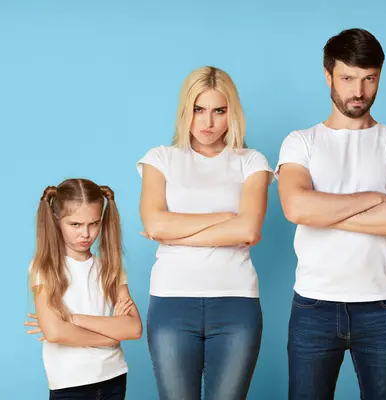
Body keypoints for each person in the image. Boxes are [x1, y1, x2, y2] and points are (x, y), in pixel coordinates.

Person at [275, 28, 386, 400]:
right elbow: (296, 206)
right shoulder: (301, 142)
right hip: (313, 304)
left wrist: (323, 212)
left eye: (369, 79)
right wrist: (375, 198)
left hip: (383, 306)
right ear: (328, 75)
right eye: (347, 78)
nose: (358, 92)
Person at [137, 66, 273, 400]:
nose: (208, 122)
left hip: (236, 303)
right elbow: (155, 223)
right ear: (186, 110)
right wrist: (225, 219)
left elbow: (248, 229)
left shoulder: (251, 161)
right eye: (199, 109)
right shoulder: (161, 159)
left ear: (232, 114)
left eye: (219, 111)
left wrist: (174, 232)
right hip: (171, 301)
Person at [24, 178, 142, 399]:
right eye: (75, 225)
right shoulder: (45, 268)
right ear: (56, 221)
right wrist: (110, 337)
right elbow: (55, 331)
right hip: (71, 383)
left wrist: (73, 319)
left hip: (113, 376)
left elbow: (133, 328)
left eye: (94, 223)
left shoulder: (110, 268)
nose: (86, 234)